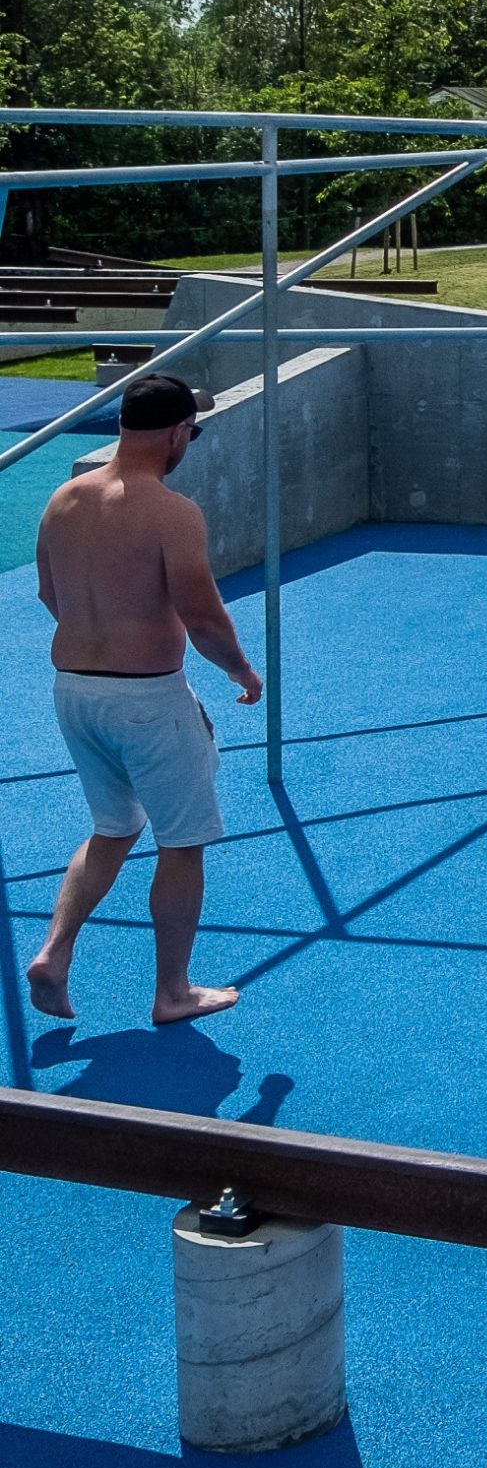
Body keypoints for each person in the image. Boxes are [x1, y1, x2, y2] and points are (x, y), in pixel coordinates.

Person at [25, 374, 262, 1026]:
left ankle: (54, 953)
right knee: (181, 843)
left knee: (113, 827)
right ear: (177, 431)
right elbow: (203, 616)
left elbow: (50, 596)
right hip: (146, 700)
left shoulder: (64, 499)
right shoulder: (170, 512)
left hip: (73, 691)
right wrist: (243, 673)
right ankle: (173, 992)